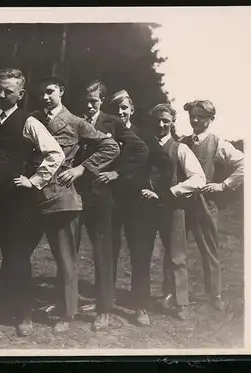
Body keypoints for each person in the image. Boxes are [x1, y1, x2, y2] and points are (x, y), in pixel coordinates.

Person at [0, 68, 64, 337]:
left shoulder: (29, 122)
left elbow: (55, 153)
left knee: (17, 260)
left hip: (15, 205)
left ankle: (23, 314)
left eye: (8, 90)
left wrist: (34, 180)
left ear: (21, 94)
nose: (2, 93)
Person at [28, 75, 120, 333]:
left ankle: (67, 314)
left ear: (61, 91)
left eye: (50, 92)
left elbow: (111, 146)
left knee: (67, 256)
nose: (45, 97)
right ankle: (49, 306)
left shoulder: (74, 121)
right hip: (34, 193)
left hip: (63, 194)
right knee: (48, 255)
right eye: (41, 93)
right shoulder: (34, 118)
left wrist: (82, 169)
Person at [74, 81, 149, 330]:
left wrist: (117, 173)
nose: (89, 104)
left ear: (102, 101)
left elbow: (140, 149)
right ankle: (71, 302)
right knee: (71, 249)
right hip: (75, 194)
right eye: (86, 99)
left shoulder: (112, 122)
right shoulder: (77, 120)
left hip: (101, 198)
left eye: (94, 100)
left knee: (102, 252)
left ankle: (104, 310)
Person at [107, 90, 174, 325]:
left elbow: (166, 165)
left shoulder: (145, 136)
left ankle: (140, 306)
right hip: (112, 203)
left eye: (124, 108)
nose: (120, 113)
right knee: (108, 253)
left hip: (139, 205)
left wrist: (155, 189)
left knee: (140, 257)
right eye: (116, 109)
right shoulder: (105, 134)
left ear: (132, 110)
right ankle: (104, 304)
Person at [140, 103, 206, 320]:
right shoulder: (143, 146)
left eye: (165, 121)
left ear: (172, 123)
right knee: (142, 254)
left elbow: (199, 178)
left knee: (177, 256)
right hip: (147, 209)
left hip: (173, 208)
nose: (161, 124)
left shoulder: (180, 148)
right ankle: (142, 298)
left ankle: (181, 302)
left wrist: (172, 191)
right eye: (158, 120)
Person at [181, 100, 244, 311]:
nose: (195, 120)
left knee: (209, 249)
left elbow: (244, 164)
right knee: (176, 248)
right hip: (182, 202)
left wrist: (223, 185)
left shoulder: (219, 144)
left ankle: (214, 294)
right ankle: (172, 292)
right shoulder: (182, 142)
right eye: (193, 115)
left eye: (201, 116)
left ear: (211, 119)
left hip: (205, 203)